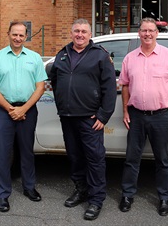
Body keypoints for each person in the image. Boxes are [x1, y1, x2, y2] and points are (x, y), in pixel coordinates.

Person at [48, 18, 116, 220]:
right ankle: (81, 189)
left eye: (84, 31)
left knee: (95, 159)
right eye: (76, 31)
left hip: (90, 118)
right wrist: (61, 104)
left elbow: (109, 88)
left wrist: (104, 115)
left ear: (89, 35)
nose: (80, 34)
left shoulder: (100, 56)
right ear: (71, 33)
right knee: (75, 156)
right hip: (68, 117)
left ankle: (96, 200)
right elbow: (55, 81)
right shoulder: (62, 54)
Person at [118, 18, 168, 216]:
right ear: (139, 33)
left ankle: (164, 198)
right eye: (144, 30)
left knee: (162, 160)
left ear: (157, 33)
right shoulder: (130, 58)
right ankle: (127, 195)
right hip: (137, 116)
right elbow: (125, 86)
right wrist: (125, 111)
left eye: (151, 31)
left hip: (162, 116)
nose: (147, 34)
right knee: (131, 158)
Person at [0, 21, 47, 212]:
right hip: (4, 111)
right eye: (14, 34)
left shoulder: (35, 58)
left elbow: (40, 87)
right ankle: (2, 195)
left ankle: (29, 187)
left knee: (27, 151)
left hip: (28, 111)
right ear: (8, 34)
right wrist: (11, 109)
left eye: (21, 35)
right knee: (3, 153)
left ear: (26, 37)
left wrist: (23, 109)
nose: (18, 38)